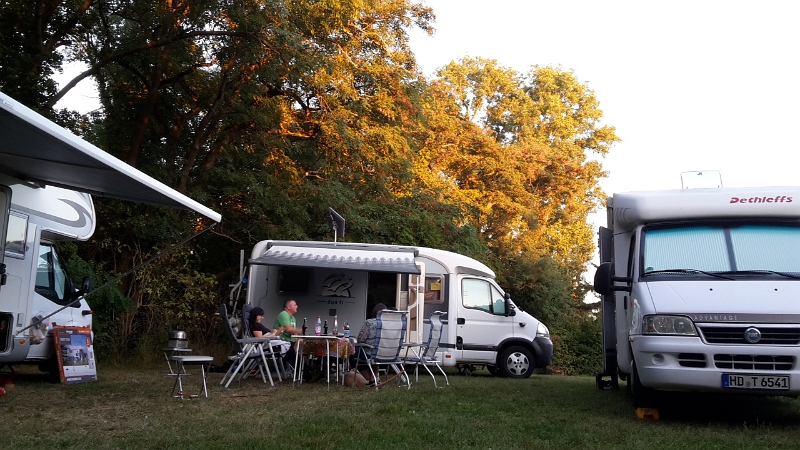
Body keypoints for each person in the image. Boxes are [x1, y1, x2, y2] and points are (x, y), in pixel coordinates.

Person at [353, 303, 387, 383]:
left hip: (370, 353)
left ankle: (371, 379)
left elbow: (360, 340)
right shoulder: (390, 324)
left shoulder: (369, 322)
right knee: (374, 358)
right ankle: (375, 377)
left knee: (355, 355)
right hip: (386, 354)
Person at [273, 299, 303, 367]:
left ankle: (309, 372)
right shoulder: (284, 314)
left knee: (301, 353)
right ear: (288, 307)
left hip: (289, 343)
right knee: (295, 359)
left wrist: (299, 338)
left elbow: (294, 333)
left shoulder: (293, 318)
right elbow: (289, 329)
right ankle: (309, 374)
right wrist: (301, 330)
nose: (297, 306)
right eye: (295, 305)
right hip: (281, 343)